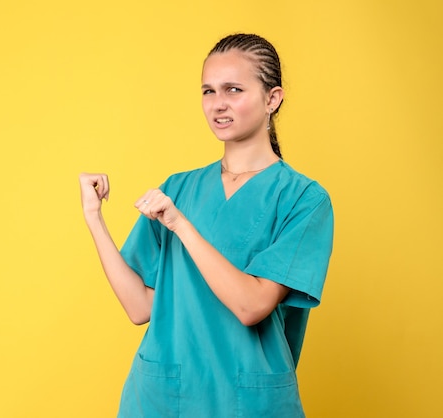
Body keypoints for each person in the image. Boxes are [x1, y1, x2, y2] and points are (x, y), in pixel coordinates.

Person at [79, 33, 334, 418]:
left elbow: (251, 306)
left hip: (249, 401)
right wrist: (94, 218)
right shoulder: (178, 188)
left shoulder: (303, 199)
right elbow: (139, 306)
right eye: (208, 91)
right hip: (162, 398)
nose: (218, 105)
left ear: (272, 98)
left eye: (233, 89)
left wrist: (181, 225)